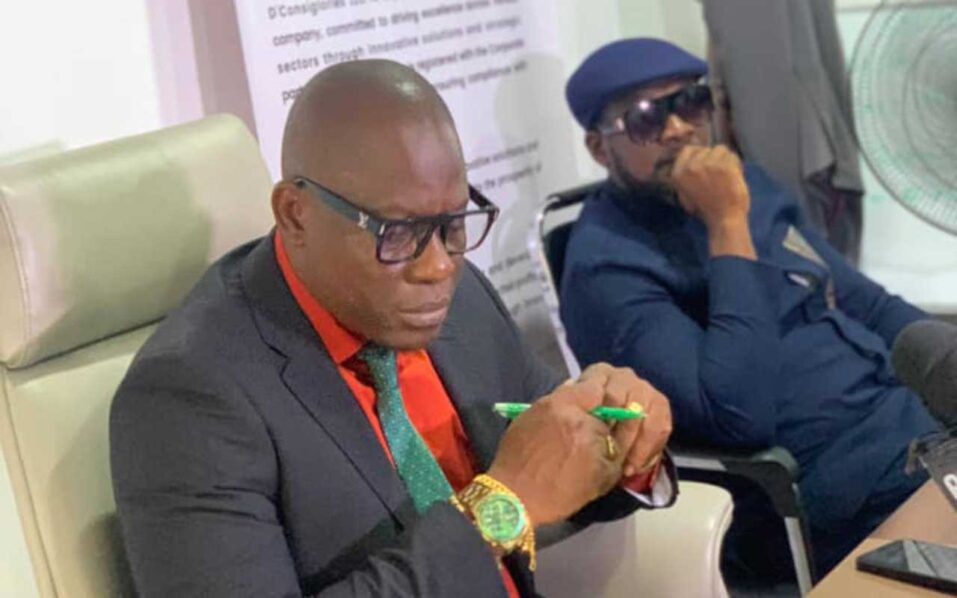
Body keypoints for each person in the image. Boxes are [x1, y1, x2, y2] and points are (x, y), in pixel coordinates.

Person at [110, 59, 676, 597]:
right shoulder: (189, 397)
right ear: (295, 215)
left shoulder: (460, 299)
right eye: (398, 233)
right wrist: (500, 508)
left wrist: (626, 445)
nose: (439, 266)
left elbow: (558, 464)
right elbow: (524, 492)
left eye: (455, 222)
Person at [559, 38, 940, 577]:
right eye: (647, 118)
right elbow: (737, 416)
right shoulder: (609, 270)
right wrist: (727, 227)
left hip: (917, 430)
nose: (679, 129)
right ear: (601, 148)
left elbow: (869, 305)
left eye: (690, 102)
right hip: (835, 489)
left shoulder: (746, 185)